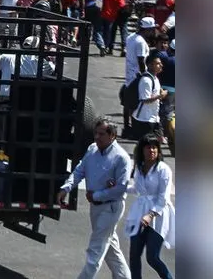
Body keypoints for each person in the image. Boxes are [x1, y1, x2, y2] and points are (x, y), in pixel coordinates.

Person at [56, 118, 132, 279]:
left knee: (95, 250)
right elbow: (79, 170)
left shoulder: (122, 158)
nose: (97, 137)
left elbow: (120, 189)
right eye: (95, 133)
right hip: (95, 207)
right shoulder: (92, 149)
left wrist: (97, 195)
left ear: (112, 135)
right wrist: (66, 188)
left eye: (101, 134)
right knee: (111, 249)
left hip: (111, 208)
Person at [124, 134, 175, 279]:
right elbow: (138, 189)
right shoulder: (139, 167)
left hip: (158, 215)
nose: (151, 150)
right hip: (140, 213)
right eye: (148, 147)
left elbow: (163, 198)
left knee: (152, 257)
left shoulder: (163, 169)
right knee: (134, 255)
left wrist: (150, 215)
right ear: (142, 150)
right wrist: (120, 187)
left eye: (154, 147)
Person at [130, 52, 168, 140]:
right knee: (146, 145)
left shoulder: (155, 78)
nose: (161, 65)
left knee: (156, 143)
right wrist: (160, 95)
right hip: (144, 119)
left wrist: (161, 93)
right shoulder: (146, 80)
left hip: (154, 118)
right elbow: (145, 100)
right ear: (150, 65)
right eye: (158, 64)